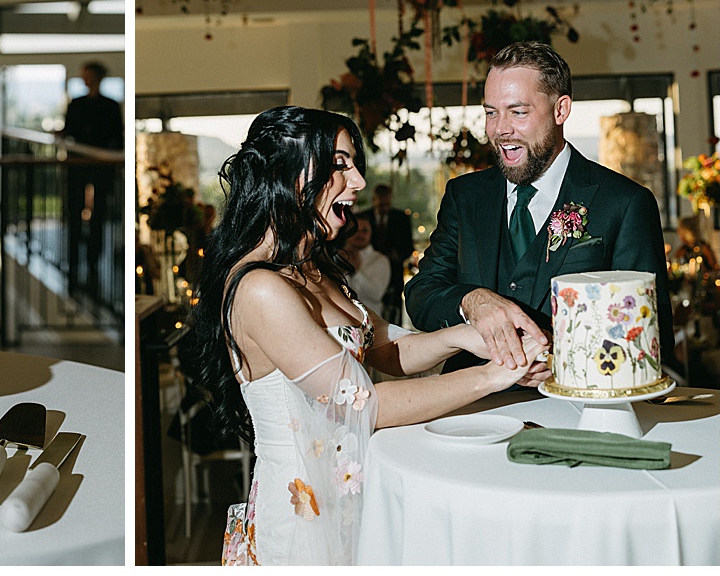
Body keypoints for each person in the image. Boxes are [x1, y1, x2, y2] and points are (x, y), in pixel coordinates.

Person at [181, 106, 543, 565]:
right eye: (339, 165)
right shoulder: (259, 289)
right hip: (306, 518)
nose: (356, 182)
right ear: (288, 174)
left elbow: (385, 348)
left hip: (352, 496)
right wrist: (495, 376)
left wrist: (467, 338)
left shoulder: (307, 266)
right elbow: (363, 403)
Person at [404, 41, 674, 377]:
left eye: (518, 112)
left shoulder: (625, 203)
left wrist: (566, 363)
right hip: (469, 410)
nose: (500, 129)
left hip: (577, 412)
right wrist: (470, 300)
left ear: (560, 110)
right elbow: (421, 293)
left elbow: (652, 337)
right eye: (491, 112)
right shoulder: (465, 196)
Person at [59, 61, 123, 295]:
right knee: (75, 212)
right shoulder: (77, 104)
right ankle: (74, 261)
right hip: (79, 165)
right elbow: (69, 130)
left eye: (88, 75)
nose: (85, 79)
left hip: (101, 166)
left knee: (99, 215)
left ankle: (93, 260)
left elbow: (116, 135)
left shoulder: (110, 105)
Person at [360, 184, 414, 323]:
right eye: (381, 202)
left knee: (394, 315)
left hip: (394, 273)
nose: (384, 205)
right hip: (369, 271)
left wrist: (395, 256)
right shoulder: (364, 217)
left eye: (387, 202)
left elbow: (408, 246)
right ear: (374, 199)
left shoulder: (401, 218)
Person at [342, 217, 389, 314]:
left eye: (365, 230)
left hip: (370, 320)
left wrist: (356, 272)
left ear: (371, 233)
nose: (360, 234)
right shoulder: (335, 257)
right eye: (355, 230)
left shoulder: (380, 260)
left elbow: (376, 294)